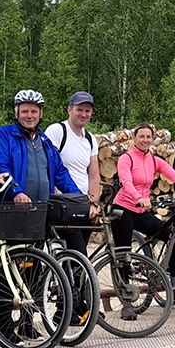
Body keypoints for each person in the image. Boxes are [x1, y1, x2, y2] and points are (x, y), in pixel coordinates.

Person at [114, 123, 175, 305]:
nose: (145, 140)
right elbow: (126, 182)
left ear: (153, 139)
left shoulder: (154, 160)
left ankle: (174, 284)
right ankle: (126, 304)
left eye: (148, 137)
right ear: (134, 138)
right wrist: (138, 197)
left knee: (173, 237)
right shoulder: (126, 158)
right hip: (123, 209)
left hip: (141, 210)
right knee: (123, 255)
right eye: (141, 136)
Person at [0, 90, 81, 203]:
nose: (29, 116)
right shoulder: (4, 135)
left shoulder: (46, 141)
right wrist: (16, 192)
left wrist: (79, 197)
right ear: (16, 113)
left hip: (43, 207)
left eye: (34, 112)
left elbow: (60, 173)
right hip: (12, 206)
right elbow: (0, 167)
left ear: (40, 114)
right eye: (24, 111)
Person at [43, 91, 102, 253]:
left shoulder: (90, 139)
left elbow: (94, 175)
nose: (83, 114)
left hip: (83, 204)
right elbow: (48, 167)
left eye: (87, 111)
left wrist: (94, 203)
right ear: (69, 109)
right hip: (64, 205)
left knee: (76, 255)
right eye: (79, 110)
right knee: (79, 254)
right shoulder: (57, 131)